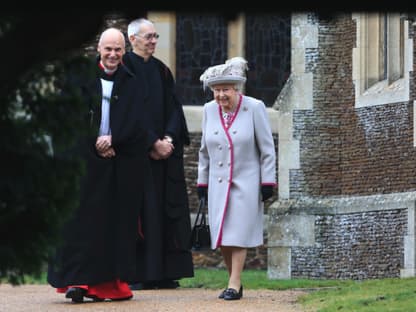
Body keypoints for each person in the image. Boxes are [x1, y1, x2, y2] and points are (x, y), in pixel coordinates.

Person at [47, 27, 149, 303]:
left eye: (118, 49)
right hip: (84, 160)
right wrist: (94, 141)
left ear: (124, 52)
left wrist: (116, 140)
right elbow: (69, 117)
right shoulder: (78, 78)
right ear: (99, 50)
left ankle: (107, 286)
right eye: (108, 49)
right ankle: (78, 283)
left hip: (119, 162)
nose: (113, 54)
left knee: (113, 226)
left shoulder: (134, 81)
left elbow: (140, 121)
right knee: (80, 224)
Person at [197, 57, 276, 300]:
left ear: (236, 89)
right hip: (218, 184)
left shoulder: (254, 107)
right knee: (222, 236)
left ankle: (234, 283)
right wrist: (202, 182)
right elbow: (203, 151)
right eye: (216, 91)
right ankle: (235, 283)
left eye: (225, 90)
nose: (221, 96)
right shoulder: (209, 110)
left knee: (238, 233)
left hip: (246, 182)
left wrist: (267, 182)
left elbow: (267, 148)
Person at [123, 18, 194, 289]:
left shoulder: (163, 71)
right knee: (142, 214)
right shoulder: (124, 70)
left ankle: (164, 272)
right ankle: (140, 274)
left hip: (164, 159)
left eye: (155, 36)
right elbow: (129, 113)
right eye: (148, 37)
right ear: (133, 39)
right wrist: (152, 142)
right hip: (138, 157)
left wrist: (169, 138)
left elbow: (174, 109)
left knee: (166, 212)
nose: (154, 41)